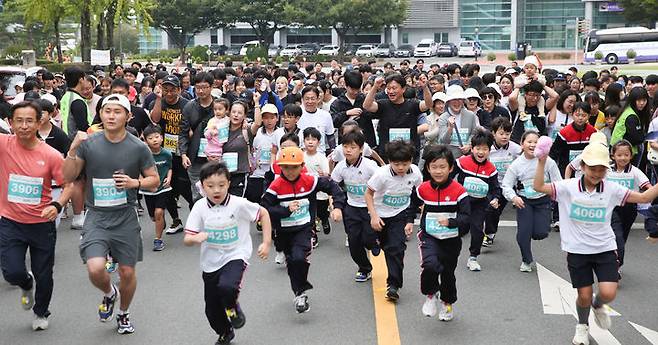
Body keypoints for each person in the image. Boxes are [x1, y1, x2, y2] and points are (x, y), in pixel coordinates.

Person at [533, 136, 658, 345]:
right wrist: (541, 160)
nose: (597, 173)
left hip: (604, 248)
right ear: (582, 166)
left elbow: (644, 197)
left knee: (608, 293)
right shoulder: (568, 187)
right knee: (584, 295)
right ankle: (582, 326)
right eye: (592, 168)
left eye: (601, 169)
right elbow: (538, 186)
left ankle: (598, 305)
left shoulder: (611, 189)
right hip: (577, 250)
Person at [62, 94, 160, 334]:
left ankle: (124, 314)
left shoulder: (138, 147)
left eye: (117, 111)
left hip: (125, 216)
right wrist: (73, 149)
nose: (111, 115)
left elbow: (154, 181)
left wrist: (133, 183)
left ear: (128, 116)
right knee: (96, 268)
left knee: (127, 271)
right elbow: (68, 176)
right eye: (107, 111)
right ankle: (109, 293)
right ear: (101, 114)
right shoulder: (89, 143)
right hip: (96, 215)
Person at [0, 101, 73, 331]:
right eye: (18, 121)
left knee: (44, 274)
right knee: (12, 272)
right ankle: (24, 282)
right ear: (10, 123)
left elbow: (69, 184)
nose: (23, 126)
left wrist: (57, 204)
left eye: (29, 120)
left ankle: (41, 311)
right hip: (11, 222)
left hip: (42, 224)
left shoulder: (50, 155)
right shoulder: (3, 145)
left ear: (39, 122)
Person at [184, 161, 272, 345]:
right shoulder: (199, 207)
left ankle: (232, 307)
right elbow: (188, 238)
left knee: (227, 287)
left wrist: (266, 242)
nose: (216, 190)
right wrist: (196, 237)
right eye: (210, 186)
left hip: (236, 255)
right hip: (210, 263)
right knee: (212, 311)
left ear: (229, 184)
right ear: (202, 186)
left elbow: (263, 213)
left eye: (221, 185)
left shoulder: (239, 204)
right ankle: (225, 331)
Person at [260, 147, 345, 313]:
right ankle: (299, 291)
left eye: (294, 167)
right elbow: (263, 209)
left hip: (304, 228)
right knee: (292, 262)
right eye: (285, 167)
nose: (290, 171)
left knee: (299, 258)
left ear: (301, 166)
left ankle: (301, 293)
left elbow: (332, 186)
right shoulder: (275, 186)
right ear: (280, 167)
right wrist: (285, 211)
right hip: (283, 232)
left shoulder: (309, 181)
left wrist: (338, 207)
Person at [409, 145, 470, 321]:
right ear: (427, 168)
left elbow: (467, 217)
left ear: (451, 168)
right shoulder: (422, 188)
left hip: (451, 239)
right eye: (434, 167)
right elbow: (412, 205)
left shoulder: (459, 191)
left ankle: (447, 303)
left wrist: (452, 222)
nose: (438, 171)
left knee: (447, 273)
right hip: (429, 235)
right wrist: (408, 222)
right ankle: (430, 294)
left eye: (442, 167)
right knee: (430, 265)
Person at [365, 140, 423, 301]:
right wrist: (374, 216)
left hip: (399, 214)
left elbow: (419, 194)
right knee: (368, 240)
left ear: (411, 160)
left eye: (404, 164)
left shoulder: (416, 172)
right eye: (396, 164)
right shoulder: (381, 174)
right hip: (378, 213)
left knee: (396, 249)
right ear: (390, 161)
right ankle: (374, 244)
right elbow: (368, 194)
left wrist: (412, 219)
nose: (401, 168)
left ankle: (393, 286)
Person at [502, 131, 561, 271]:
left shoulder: (548, 162)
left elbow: (558, 182)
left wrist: (556, 195)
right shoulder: (516, 164)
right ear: (522, 144)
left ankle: (536, 230)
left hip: (543, 201)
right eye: (529, 141)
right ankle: (526, 260)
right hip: (524, 202)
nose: (533, 145)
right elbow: (506, 185)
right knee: (524, 233)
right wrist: (514, 197)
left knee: (541, 232)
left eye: (536, 142)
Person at [331, 131, 380, 282]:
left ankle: (374, 242)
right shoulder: (340, 166)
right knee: (353, 241)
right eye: (345, 146)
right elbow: (333, 185)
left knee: (368, 237)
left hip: (369, 207)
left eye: (352, 147)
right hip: (351, 207)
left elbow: (382, 182)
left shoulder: (370, 166)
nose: (348, 150)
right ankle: (364, 268)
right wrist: (334, 206)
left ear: (361, 149)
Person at [452, 129, 501, 271]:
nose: (481, 152)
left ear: (489, 150)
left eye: (485, 149)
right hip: (462, 203)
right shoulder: (462, 162)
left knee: (478, 230)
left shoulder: (491, 169)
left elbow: (495, 189)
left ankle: (473, 257)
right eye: (478, 148)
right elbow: (448, 177)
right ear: (472, 149)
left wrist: (496, 199)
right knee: (458, 229)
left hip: (480, 204)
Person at [149, 74, 193, 235]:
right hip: (164, 152)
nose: (169, 93)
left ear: (179, 90)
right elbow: (155, 120)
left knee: (185, 186)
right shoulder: (157, 102)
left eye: (172, 90)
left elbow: (192, 127)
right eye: (165, 89)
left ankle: (196, 218)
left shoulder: (187, 105)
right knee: (166, 187)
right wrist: (159, 98)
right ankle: (176, 220)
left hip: (182, 151)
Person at [363, 74, 432, 162]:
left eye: (394, 88)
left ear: (403, 89)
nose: (391, 91)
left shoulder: (412, 104)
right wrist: (375, 87)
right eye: (388, 88)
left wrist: (425, 87)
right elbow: (367, 106)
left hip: (409, 153)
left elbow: (428, 104)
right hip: (387, 153)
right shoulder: (383, 105)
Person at [607, 140, 650, 276]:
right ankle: (615, 266)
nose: (623, 158)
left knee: (622, 238)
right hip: (611, 209)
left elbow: (648, 188)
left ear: (631, 156)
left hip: (629, 209)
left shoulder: (635, 172)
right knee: (616, 236)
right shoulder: (607, 170)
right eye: (619, 155)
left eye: (626, 155)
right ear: (613, 156)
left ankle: (615, 261)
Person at [179, 72, 218, 202]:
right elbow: (183, 132)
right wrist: (183, 154)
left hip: (215, 157)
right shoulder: (189, 106)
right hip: (195, 157)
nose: (200, 91)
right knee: (198, 196)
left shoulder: (219, 106)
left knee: (216, 193)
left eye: (204, 87)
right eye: (197, 87)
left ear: (211, 87)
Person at [484, 117, 521, 246]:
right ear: (493, 133)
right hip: (490, 184)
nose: (504, 137)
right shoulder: (487, 147)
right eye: (501, 133)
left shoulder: (515, 148)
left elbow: (524, 160)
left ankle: (490, 232)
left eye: (507, 133)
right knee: (490, 208)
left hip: (507, 186)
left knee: (496, 211)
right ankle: (489, 234)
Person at [140, 124, 173, 251]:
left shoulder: (167, 154)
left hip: (163, 188)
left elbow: (169, 167)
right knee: (154, 216)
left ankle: (158, 240)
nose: (154, 140)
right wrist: (142, 181)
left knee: (159, 211)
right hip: (148, 189)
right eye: (150, 138)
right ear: (146, 140)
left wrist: (169, 178)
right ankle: (160, 220)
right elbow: (138, 169)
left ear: (162, 138)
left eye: (157, 137)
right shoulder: (143, 155)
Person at [549, 102, 598, 176]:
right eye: (577, 115)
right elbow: (554, 154)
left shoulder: (593, 132)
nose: (580, 118)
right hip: (566, 171)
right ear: (572, 115)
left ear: (589, 116)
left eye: (584, 115)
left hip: (586, 171)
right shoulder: (564, 133)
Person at [302, 127, 331, 248]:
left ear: (318, 142)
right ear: (303, 141)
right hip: (307, 192)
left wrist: (323, 174)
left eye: (313, 139)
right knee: (310, 215)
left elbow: (327, 174)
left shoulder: (321, 157)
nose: (310, 142)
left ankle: (324, 219)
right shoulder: (301, 156)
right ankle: (313, 237)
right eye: (307, 139)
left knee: (321, 211)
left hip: (320, 192)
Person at [437, 85, 480, 159]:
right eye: (454, 99)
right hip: (449, 158)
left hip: (467, 157)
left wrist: (469, 145)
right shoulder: (443, 118)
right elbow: (443, 141)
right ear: (448, 102)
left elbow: (474, 133)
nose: (457, 103)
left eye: (459, 99)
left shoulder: (470, 115)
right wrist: (450, 128)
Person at [610, 87, 650, 166]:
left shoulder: (627, 110)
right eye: (638, 100)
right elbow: (637, 138)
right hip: (623, 152)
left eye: (644, 100)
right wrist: (645, 137)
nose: (642, 103)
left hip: (619, 149)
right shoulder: (631, 116)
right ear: (632, 100)